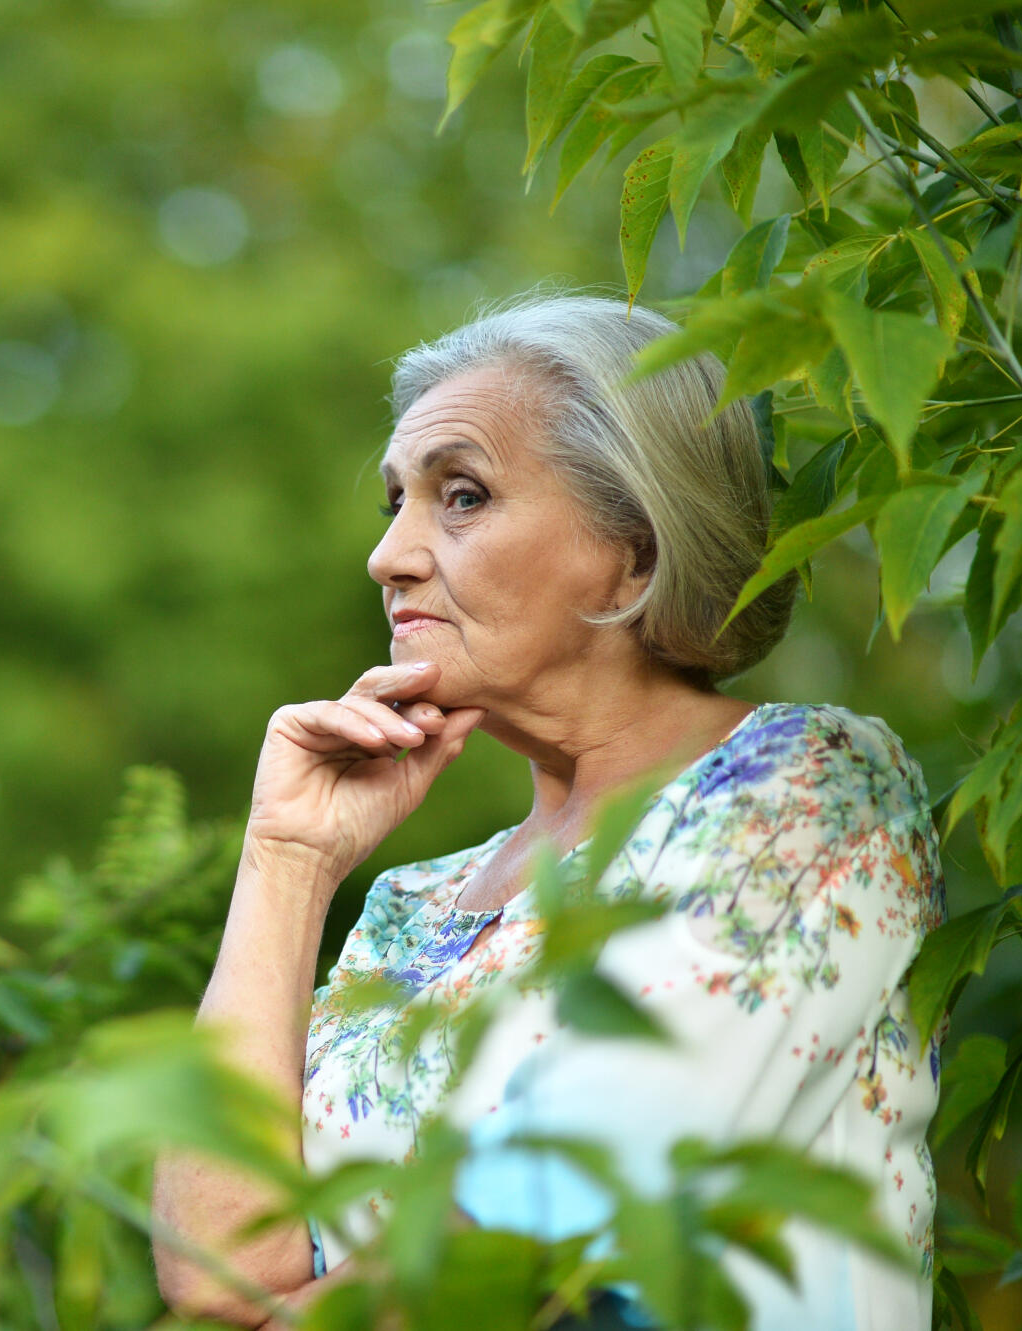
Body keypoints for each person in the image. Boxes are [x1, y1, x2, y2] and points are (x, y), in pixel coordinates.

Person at [150, 292, 943, 1330]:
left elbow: (541, 1222)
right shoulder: (413, 905)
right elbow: (217, 1279)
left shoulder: (808, 787)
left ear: (637, 547)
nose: (386, 555)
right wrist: (287, 860)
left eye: (461, 495)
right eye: (392, 501)